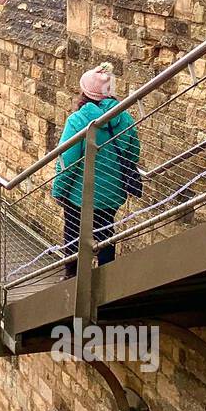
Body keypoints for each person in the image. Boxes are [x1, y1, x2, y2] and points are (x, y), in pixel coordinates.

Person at [52, 62, 141, 276]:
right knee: (105, 232)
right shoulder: (125, 118)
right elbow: (133, 155)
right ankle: (105, 278)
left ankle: (72, 277)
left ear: (86, 93)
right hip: (111, 194)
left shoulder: (78, 120)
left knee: (73, 235)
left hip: (79, 196)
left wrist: (58, 191)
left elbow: (67, 161)